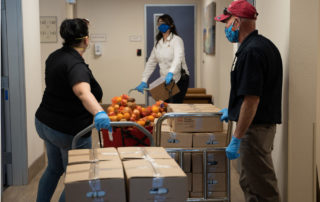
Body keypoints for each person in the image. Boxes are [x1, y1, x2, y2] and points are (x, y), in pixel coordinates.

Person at [35, 18, 112, 202]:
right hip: (68, 131)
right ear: (86, 40)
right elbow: (82, 92)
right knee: (78, 178)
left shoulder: (56, 56)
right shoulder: (75, 65)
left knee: (54, 169)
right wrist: (99, 112)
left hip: (45, 123)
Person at [215, 1, 282, 201]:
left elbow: (252, 100)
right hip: (255, 128)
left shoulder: (252, 51)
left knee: (261, 187)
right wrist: (234, 109)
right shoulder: (258, 46)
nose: (226, 28)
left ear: (236, 22)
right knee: (250, 182)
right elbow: (248, 91)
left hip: (254, 130)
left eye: (227, 23)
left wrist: (236, 137)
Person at [134, 14, 190, 103]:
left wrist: (171, 72)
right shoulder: (158, 43)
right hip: (165, 79)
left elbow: (178, 58)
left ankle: (176, 117)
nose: (161, 25)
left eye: (164, 23)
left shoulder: (177, 40)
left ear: (171, 25)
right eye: (159, 23)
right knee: (163, 105)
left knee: (175, 106)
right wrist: (144, 80)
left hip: (179, 78)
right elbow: (151, 63)